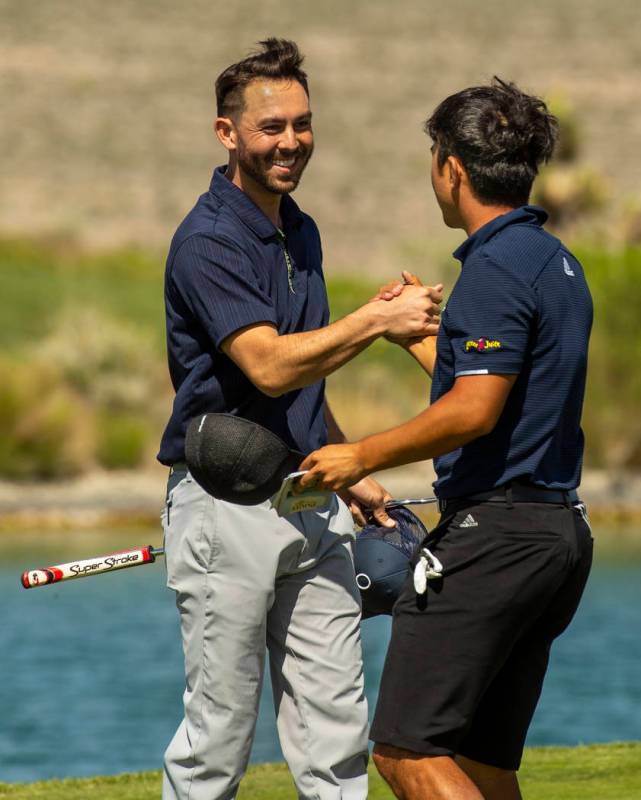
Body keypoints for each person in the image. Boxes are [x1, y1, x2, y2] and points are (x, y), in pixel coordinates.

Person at [157, 38, 442, 800]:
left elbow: (301, 388)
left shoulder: (299, 230)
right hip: (225, 508)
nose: (291, 142)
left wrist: (350, 466)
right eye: (271, 127)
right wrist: (376, 321)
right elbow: (270, 365)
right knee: (217, 738)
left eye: (302, 124)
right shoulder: (208, 241)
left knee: (335, 732)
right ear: (228, 134)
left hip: (312, 500)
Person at [298, 78, 594, 800]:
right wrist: (421, 338)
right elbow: (501, 391)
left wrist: (360, 454)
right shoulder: (553, 262)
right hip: (555, 533)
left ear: (451, 167)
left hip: (495, 538)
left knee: (407, 751)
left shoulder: (493, 266)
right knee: (481, 763)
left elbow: (475, 411)